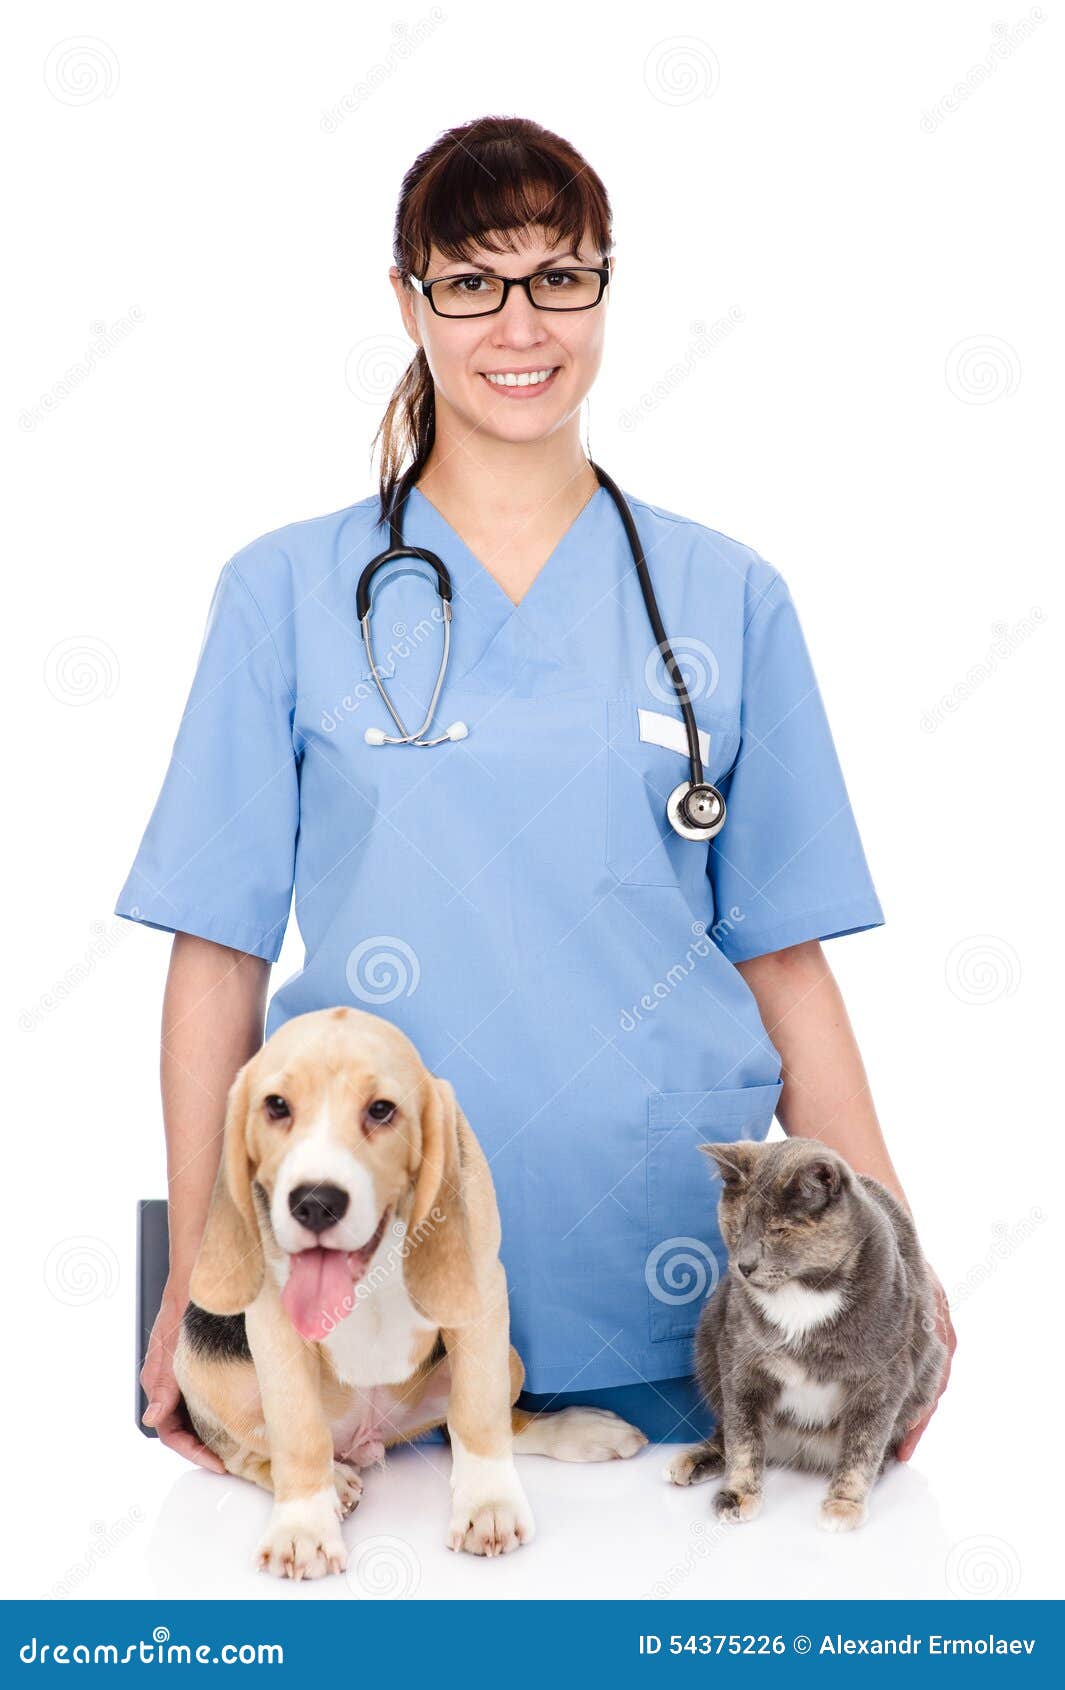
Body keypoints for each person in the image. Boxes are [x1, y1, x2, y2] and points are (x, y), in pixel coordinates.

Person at [118, 114, 954, 1471]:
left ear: (605, 289)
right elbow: (215, 948)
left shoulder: (724, 598)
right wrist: (193, 1283)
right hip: (361, 1355)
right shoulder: (280, 594)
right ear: (408, 300)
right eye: (471, 281)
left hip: (684, 1324)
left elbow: (782, 956)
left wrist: (897, 1259)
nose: (520, 323)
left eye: (559, 275)